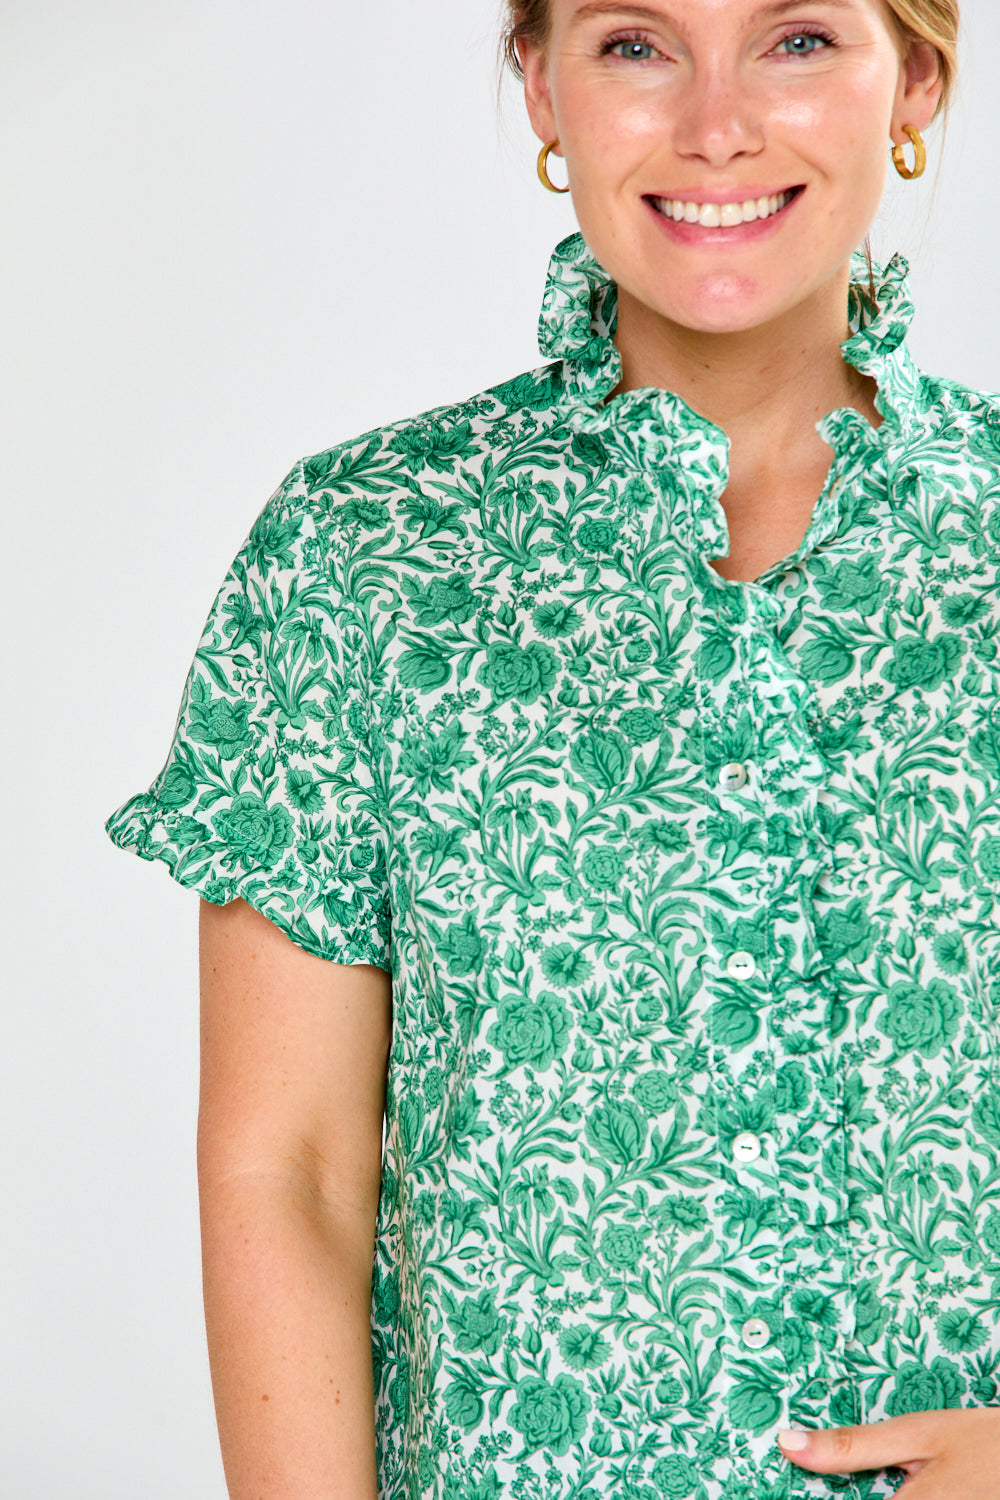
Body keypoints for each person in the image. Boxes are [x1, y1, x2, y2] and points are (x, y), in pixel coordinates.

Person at [105, 0, 1000, 1494]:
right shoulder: (364, 556)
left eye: (795, 40)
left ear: (913, 73)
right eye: (637, 44)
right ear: (541, 82)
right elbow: (292, 1177)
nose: (717, 123)